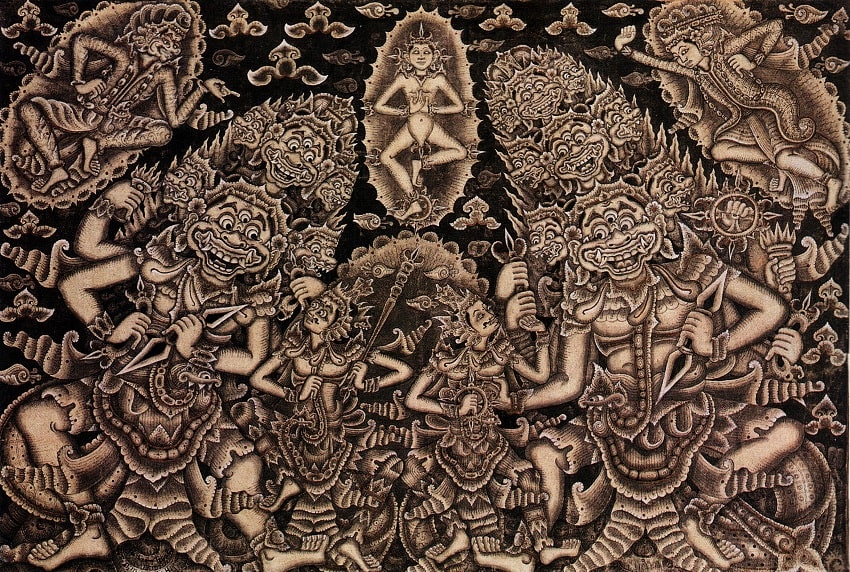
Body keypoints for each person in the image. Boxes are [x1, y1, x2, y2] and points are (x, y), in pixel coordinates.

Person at [614, 0, 843, 228]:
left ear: (700, 42)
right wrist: (624, 48)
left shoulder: (725, 50)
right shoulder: (694, 73)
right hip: (744, 119)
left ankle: (828, 181)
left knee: (784, 158)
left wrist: (753, 61)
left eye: (684, 51)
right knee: (718, 151)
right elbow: (658, 63)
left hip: (770, 107)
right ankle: (777, 164)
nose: (682, 59)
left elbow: (775, 26)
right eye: (678, 56)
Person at [235, 279, 413, 572]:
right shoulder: (294, 350)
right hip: (298, 430)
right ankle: (315, 541)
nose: (317, 313)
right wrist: (293, 394)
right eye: (316, 307)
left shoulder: (348, 354)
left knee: (339, 480)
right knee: (250, 417)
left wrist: (366, 382)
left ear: (336, 324)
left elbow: (402, 370)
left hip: (333, 433)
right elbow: (258, 379)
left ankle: (326, 540)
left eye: (326, 312)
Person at [402, 285, 578, 572]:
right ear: (464, 328)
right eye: (477, 315)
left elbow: (540, 376)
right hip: (455, 445)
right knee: (450, 489)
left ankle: (542, 545)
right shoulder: (447, 361)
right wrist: (455, 409)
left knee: (528, 477)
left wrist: (542, 337)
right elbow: (413, 399)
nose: (487, 316)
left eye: (485, 310)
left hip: (492, 442)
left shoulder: (501, 353)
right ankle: (466, 541)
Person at [15, 3, 233, 196]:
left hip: (119, 125)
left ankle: (97, 144)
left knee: (163, 133)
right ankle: (56, 168)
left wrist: (202, 88)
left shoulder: (164, 75)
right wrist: (80, 83)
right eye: (166, 37)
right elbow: (81, 40)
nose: (171, 45)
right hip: (86, 113)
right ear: (147, 33)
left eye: (176, 42)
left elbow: (175, 120)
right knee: (27, 109)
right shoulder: (122, 55)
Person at [374, 24, 466, 219]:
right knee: (385, 157)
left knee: (461, 152)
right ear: (407, 57)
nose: (421, 56)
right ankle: (413, 200)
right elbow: (379, 106)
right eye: (416, 52)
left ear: (434, 56)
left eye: (426, 52)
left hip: (430, 125)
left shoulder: (438, 79)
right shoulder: (403, 79)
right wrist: (403, 111)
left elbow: (458, 106)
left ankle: (423, 162)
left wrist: (434, 109)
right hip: (411, 123)